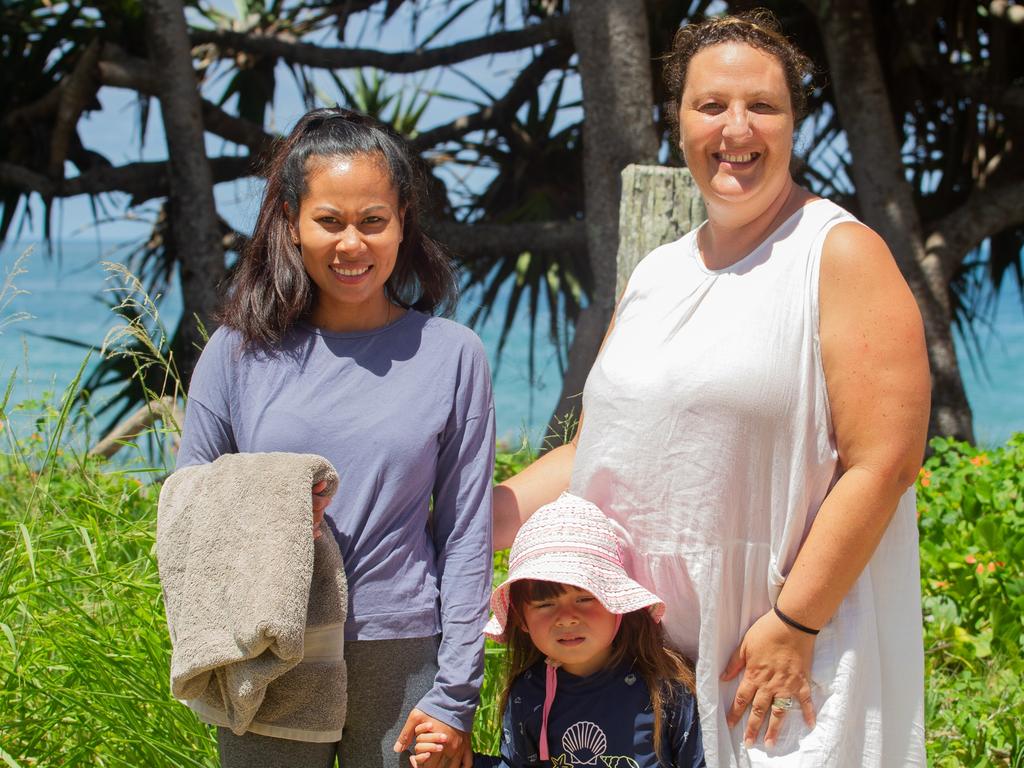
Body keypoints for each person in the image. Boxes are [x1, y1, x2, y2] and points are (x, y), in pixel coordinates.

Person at [491, 11, 930, 768]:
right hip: (637, 663)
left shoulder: (840, 252)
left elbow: (885, 462)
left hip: (772, 654)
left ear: (794, 120)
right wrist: (475, 520)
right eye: (711, 105)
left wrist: (797, 622)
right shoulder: (656, 274)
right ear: (678, 120)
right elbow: (598, 446)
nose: (737, 128)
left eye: (762, 105)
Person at [176, 107, 495, 768]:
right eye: (330, 222)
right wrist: (265, 506)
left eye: (373, 221)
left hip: (403, 651)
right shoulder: (237, 353)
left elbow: (465, 534)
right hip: (269, 648)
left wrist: (455, 693)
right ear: (292, 222)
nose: (353, 244)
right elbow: (184, 507)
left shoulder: (452, 355)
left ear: (403, 220)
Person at [413, 494, 705, 768]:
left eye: (585, 598)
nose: (566, 619)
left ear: (617, 604)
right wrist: (451, 761)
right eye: (545, 604)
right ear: (522, 621)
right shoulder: (528, 693)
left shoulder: (667, 690)